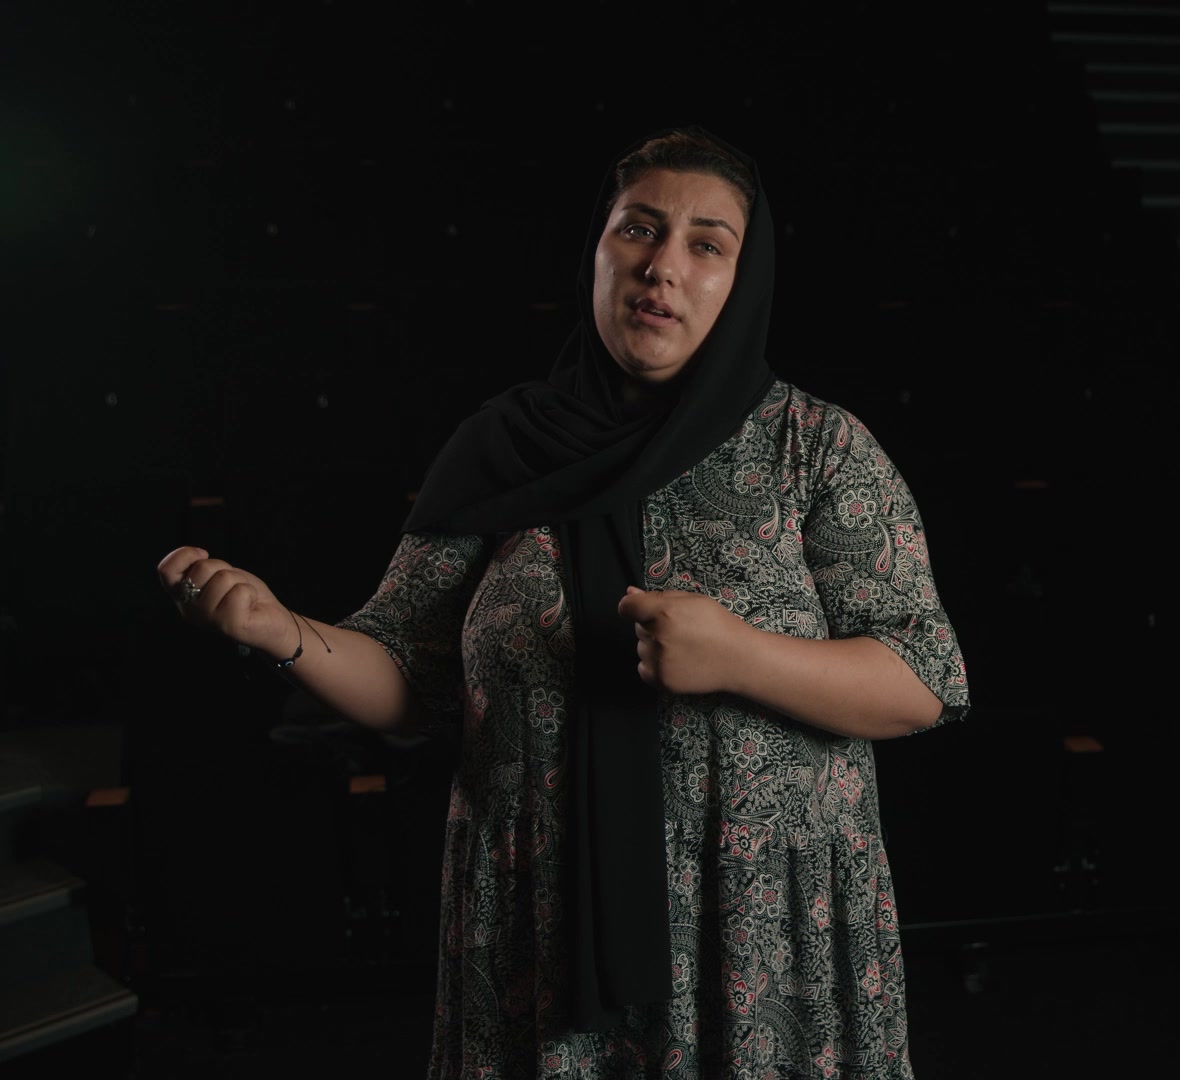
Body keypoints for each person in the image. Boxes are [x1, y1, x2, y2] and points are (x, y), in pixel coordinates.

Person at [155, 126, 970, 1079]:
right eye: (639, 229)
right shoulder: (503, 450)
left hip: (759, 925)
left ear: (743, 282)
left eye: (706, 244)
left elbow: (925, 679)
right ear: (597, 251)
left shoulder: (816, 447)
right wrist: (281, 632)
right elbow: (410, 681)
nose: (663, 266)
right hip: (539, 924)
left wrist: (742, 656)